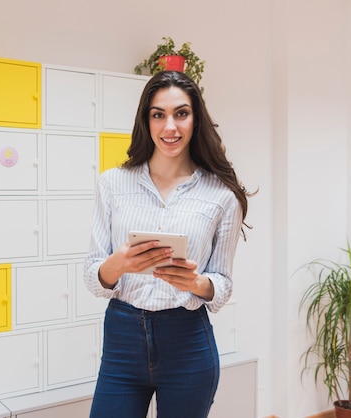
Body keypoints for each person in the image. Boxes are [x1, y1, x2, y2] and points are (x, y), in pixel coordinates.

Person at [84, 70, 254, 418]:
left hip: (188, 343)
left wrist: (197, 283)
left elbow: (222, 284)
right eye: (158, 115)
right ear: (146, 121)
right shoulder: (112, 184)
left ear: (196, 119)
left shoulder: (222, 195)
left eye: (181, 113)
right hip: (122, 339)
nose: (170, 127)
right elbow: (92, 275)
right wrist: (120, 264)